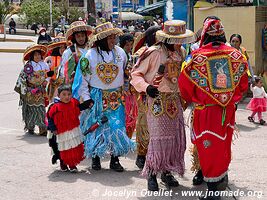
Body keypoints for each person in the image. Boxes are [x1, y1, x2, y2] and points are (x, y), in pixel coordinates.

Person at [178, 18, 249, 200]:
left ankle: (213, 188)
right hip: (227, 111)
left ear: (205, 35)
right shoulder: (236, 56)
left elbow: (184, 84)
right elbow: (243, 84)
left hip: (206, 111)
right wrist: (231, 98)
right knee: (223, 144)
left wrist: (193, 99)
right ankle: (222, 176)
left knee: (208, 146)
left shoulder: (195, 57)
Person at [131, 20, 194, 191]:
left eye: (181, 39)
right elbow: (136, 74)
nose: (179, 42)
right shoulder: (154, 53)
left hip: (175, 101)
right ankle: (151, 173)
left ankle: (167, 172)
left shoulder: (181, 52)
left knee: (174, 139)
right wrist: (147, 87)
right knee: (157, 139)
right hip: (157, 100)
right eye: (176, 39)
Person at [72, 22, 135, 172]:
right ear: (102, 39)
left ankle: (115, 159)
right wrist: (87, 99)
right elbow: (82, 80)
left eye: (115, 38)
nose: (114, 41)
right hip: (97, 97)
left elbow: (126, 73)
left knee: (116, 127)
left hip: (116, 97)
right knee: (96, 127)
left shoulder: (120, 53)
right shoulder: (89, 56)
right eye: (111, 38)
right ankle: (95, 158)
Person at [131, 25, 161, 169]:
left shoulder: (170, 51)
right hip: (146, 95)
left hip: (163, 96)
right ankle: (141, 155)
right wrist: (145, 87)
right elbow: (135, 73)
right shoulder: (144, 52)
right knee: (144, 125)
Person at [47, 84, 94, 172]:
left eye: (69, 94)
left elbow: (80, 107)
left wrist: (88, 104)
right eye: (64, 94)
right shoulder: (55, 107)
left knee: (73, 147)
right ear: (59, 95)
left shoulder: (74, 103)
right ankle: (63, 162)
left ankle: (72, 164)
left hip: (73, 131)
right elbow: (50, 119)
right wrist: (53, 129)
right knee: (64, 148)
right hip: (62, 133)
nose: (67, 97)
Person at [14, 44, 52, 136]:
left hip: (40, 91)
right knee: (30, 109)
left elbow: (49, 75)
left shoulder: (44, 64)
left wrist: (46, 81)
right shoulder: (28, 66)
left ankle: (42, 129)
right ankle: (30, 126)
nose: (38, 56)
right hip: (30, 92)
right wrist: (27, 88)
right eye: (35, 55)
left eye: (39, 54)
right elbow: (23, 78)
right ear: (32, 56)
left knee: (41, 109)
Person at [119, 33, 137, 139]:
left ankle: (127, 137)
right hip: (124, 89)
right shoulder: (121, 55)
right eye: (127, 45)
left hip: (129, 89)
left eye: (131, 45)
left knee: (130, 113)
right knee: (127, 113)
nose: (130, 47)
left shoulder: (128, 55)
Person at [44, 37, 68, 102]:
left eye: (64, 47)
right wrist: (49, 77)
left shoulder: (68, 58)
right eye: (61, 47)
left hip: (65, 87)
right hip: (53, 87)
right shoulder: (49, 59)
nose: (63, 49)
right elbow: (44, 73)